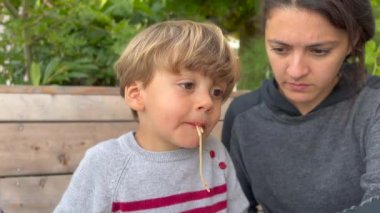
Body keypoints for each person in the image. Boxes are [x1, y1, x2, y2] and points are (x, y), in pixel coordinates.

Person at [54, 20, 249, 212]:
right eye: (187, 85)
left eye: (216, 92)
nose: (207, 102)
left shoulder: (215, 154)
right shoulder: (107, 164)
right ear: (137, 95)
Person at [222, 0, 380, 212]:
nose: (296, 71)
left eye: (319, 51)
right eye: (280, 49)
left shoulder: (373, 103)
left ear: (352, 41)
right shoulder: (243, 116)